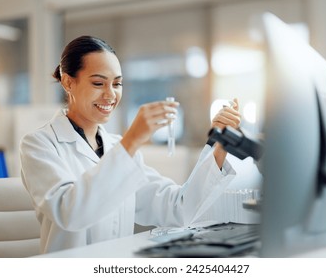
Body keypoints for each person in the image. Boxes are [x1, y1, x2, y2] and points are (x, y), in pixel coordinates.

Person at [20, 35, 241, 254]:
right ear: (68, 82)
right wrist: (133, 139)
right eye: (98, 83)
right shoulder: (39, 144)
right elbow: (70, 213)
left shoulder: (119, 147)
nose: (110, 95)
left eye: (117, 83)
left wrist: (219, 145)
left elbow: (178, 209)